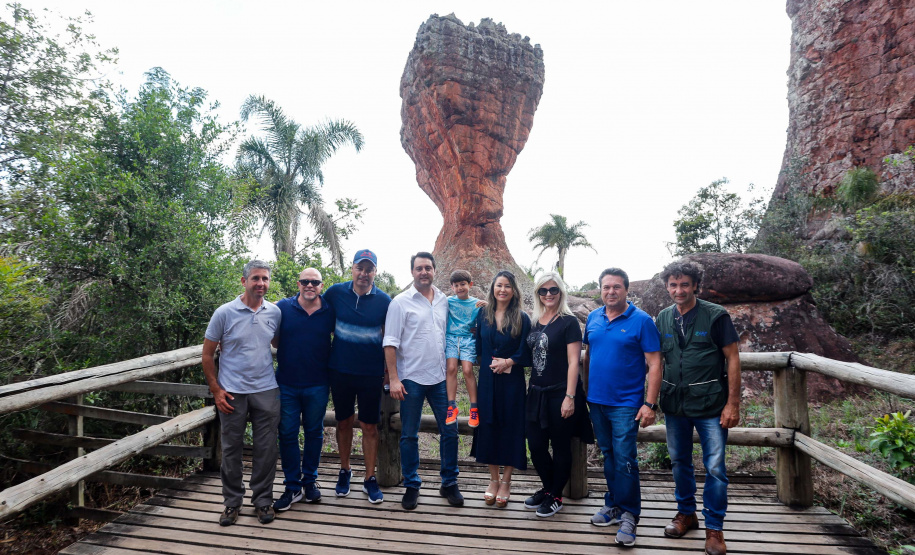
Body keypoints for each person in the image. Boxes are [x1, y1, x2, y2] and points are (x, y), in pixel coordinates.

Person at [656, 260, 742, 555]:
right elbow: (656, 361)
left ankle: (715, 530)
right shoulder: (663, 318)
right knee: (680, 462)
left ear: (695, 285)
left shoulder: (716, 316)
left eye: (684, 284)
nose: (678, 290)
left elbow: (733, 358)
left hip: (710, 405)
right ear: (667, 286)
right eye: (673, 284)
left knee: (715, 468)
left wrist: (733, 404)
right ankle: (686, 514)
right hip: (675, 404)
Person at [583, 268, 662, 546]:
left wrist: (649, 404)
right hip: (596, 401)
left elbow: (654, 364)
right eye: (606, 287)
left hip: (626, 404)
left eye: (616, 287)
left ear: (626, 290)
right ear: (600, 290)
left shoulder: (641, 321)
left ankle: (630, 514)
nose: (611, 292)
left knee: (626, 459)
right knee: (608, 455)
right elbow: (588, 357)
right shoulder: (593, 318)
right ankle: (613, 504)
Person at [202, 260, 281, 526]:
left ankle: (262, 501)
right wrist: (216, 389)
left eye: (265, 279)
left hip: (266, 390)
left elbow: (278, 343)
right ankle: (231, 503)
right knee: (231, 448)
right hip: (232, 392)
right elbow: (207, 354)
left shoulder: (275, 313)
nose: (261, 283)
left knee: (267, 449)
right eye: (256, 278)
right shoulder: (224, 313)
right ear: (244, 281)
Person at [384, 252, 463, 510]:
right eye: (419, 268)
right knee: (408, 434)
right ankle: (412, 485)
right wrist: (394, 379)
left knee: (450, 430)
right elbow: (390, 342)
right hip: (411, 379)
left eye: (428, 268)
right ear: (412, 272)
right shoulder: (400, 302)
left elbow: (462, 323)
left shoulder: (444, 300)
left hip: (441, 378)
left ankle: (449, 482)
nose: (424, 272)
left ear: (434, 270)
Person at [323, 249, 392, 504]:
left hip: (371, 373)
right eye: (359, 268)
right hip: (340, 370)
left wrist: (388, 372)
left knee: (370, 426)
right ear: (352, 268)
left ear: (375, 272)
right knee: (343, 422)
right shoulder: (335, 293)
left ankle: (370, 478)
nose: (363, 274)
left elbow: (390, 337)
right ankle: (345, 470)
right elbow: (312, 310)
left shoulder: (385, 301)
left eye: (369, 269)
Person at [523, 272, 592, 518]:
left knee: (561, 445)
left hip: (560, 392)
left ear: (560, 292)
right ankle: (549, 488)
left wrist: (570, 397)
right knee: (536, 445)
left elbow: (575, 362)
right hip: (536, 393)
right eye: (544, 290)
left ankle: (556, 496)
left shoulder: (568, 322)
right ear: (538, 294)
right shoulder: (535, 320)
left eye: (553, 290)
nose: (549, 294)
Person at [272, 268, 336, 511]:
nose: (310, 285)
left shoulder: (330, 310)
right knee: (287, 434)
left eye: (315, 282)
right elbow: (273, 339)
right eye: (305, 281)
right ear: (298, 284)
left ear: (321, 285)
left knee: (314, 433)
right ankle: (292, 486)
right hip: (287, 383)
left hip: (318, 383)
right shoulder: (283, 307)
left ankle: (309, 482)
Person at [473, 270, 531, 508]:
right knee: (489, 426)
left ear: (513, 290)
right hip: (487, 380)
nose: (503, 290)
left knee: (511, 427)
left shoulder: (521, 317)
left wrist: (509, 362)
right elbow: (478, 347)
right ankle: (493, 480)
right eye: (499, 285)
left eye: (507, 286)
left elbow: (527, 350)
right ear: (493, 289)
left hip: (512, 382)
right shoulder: (483, 314)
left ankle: (506, 481)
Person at [445, 269, 482, 428]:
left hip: (468, 339)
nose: (459, 288)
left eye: (463, 284)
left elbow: (488, 315)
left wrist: (487, 304)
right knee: (451, 368)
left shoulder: (476, 303)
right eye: (456, 285)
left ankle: (474, 408)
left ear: (470, 285)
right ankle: (451, 406)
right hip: (451, 338)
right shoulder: (447, 301)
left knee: (467, 370)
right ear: (452, 287)